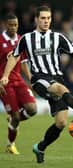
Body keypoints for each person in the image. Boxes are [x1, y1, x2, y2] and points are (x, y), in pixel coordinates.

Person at [0, 6, 73, 163]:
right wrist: (5, 76)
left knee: (61, 123)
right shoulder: (26, 38)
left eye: (48, 18)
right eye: (43, 18)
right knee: (60, 89)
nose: (46, 21)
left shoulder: (58, 37)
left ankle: (40, 147)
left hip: (57, 78)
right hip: (39, 79)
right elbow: (14, 56)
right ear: (37, 19)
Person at [0, 14, 37, 154]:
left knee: (32, 109)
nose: (13, 28)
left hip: (18, 81)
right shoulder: (0, 40)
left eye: (16, 25)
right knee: (16, 116)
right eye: (11, 25)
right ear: (5, 25)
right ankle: (10, 144)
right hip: (4, 83)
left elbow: (23, 62)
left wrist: (31, 80)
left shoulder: (21, 40)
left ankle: (12, 122)